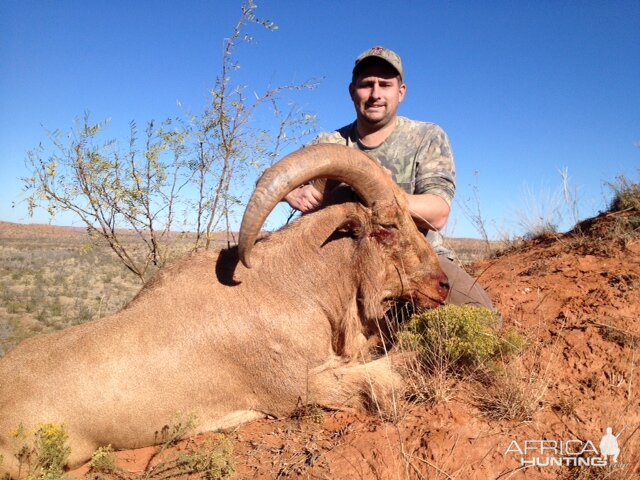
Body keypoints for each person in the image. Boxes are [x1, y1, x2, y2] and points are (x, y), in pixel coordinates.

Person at [284, 46, 494, 310]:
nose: (375, 94)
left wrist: (386, 193)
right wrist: (291, 193)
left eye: (385, 84)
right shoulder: (329, 143)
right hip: (339, 261)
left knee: (482, 315)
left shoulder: (427, 137)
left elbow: (438, 214)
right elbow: (271, 182)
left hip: (413, 258)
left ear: (401, 92)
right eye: (367, 85)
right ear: (352, 91)